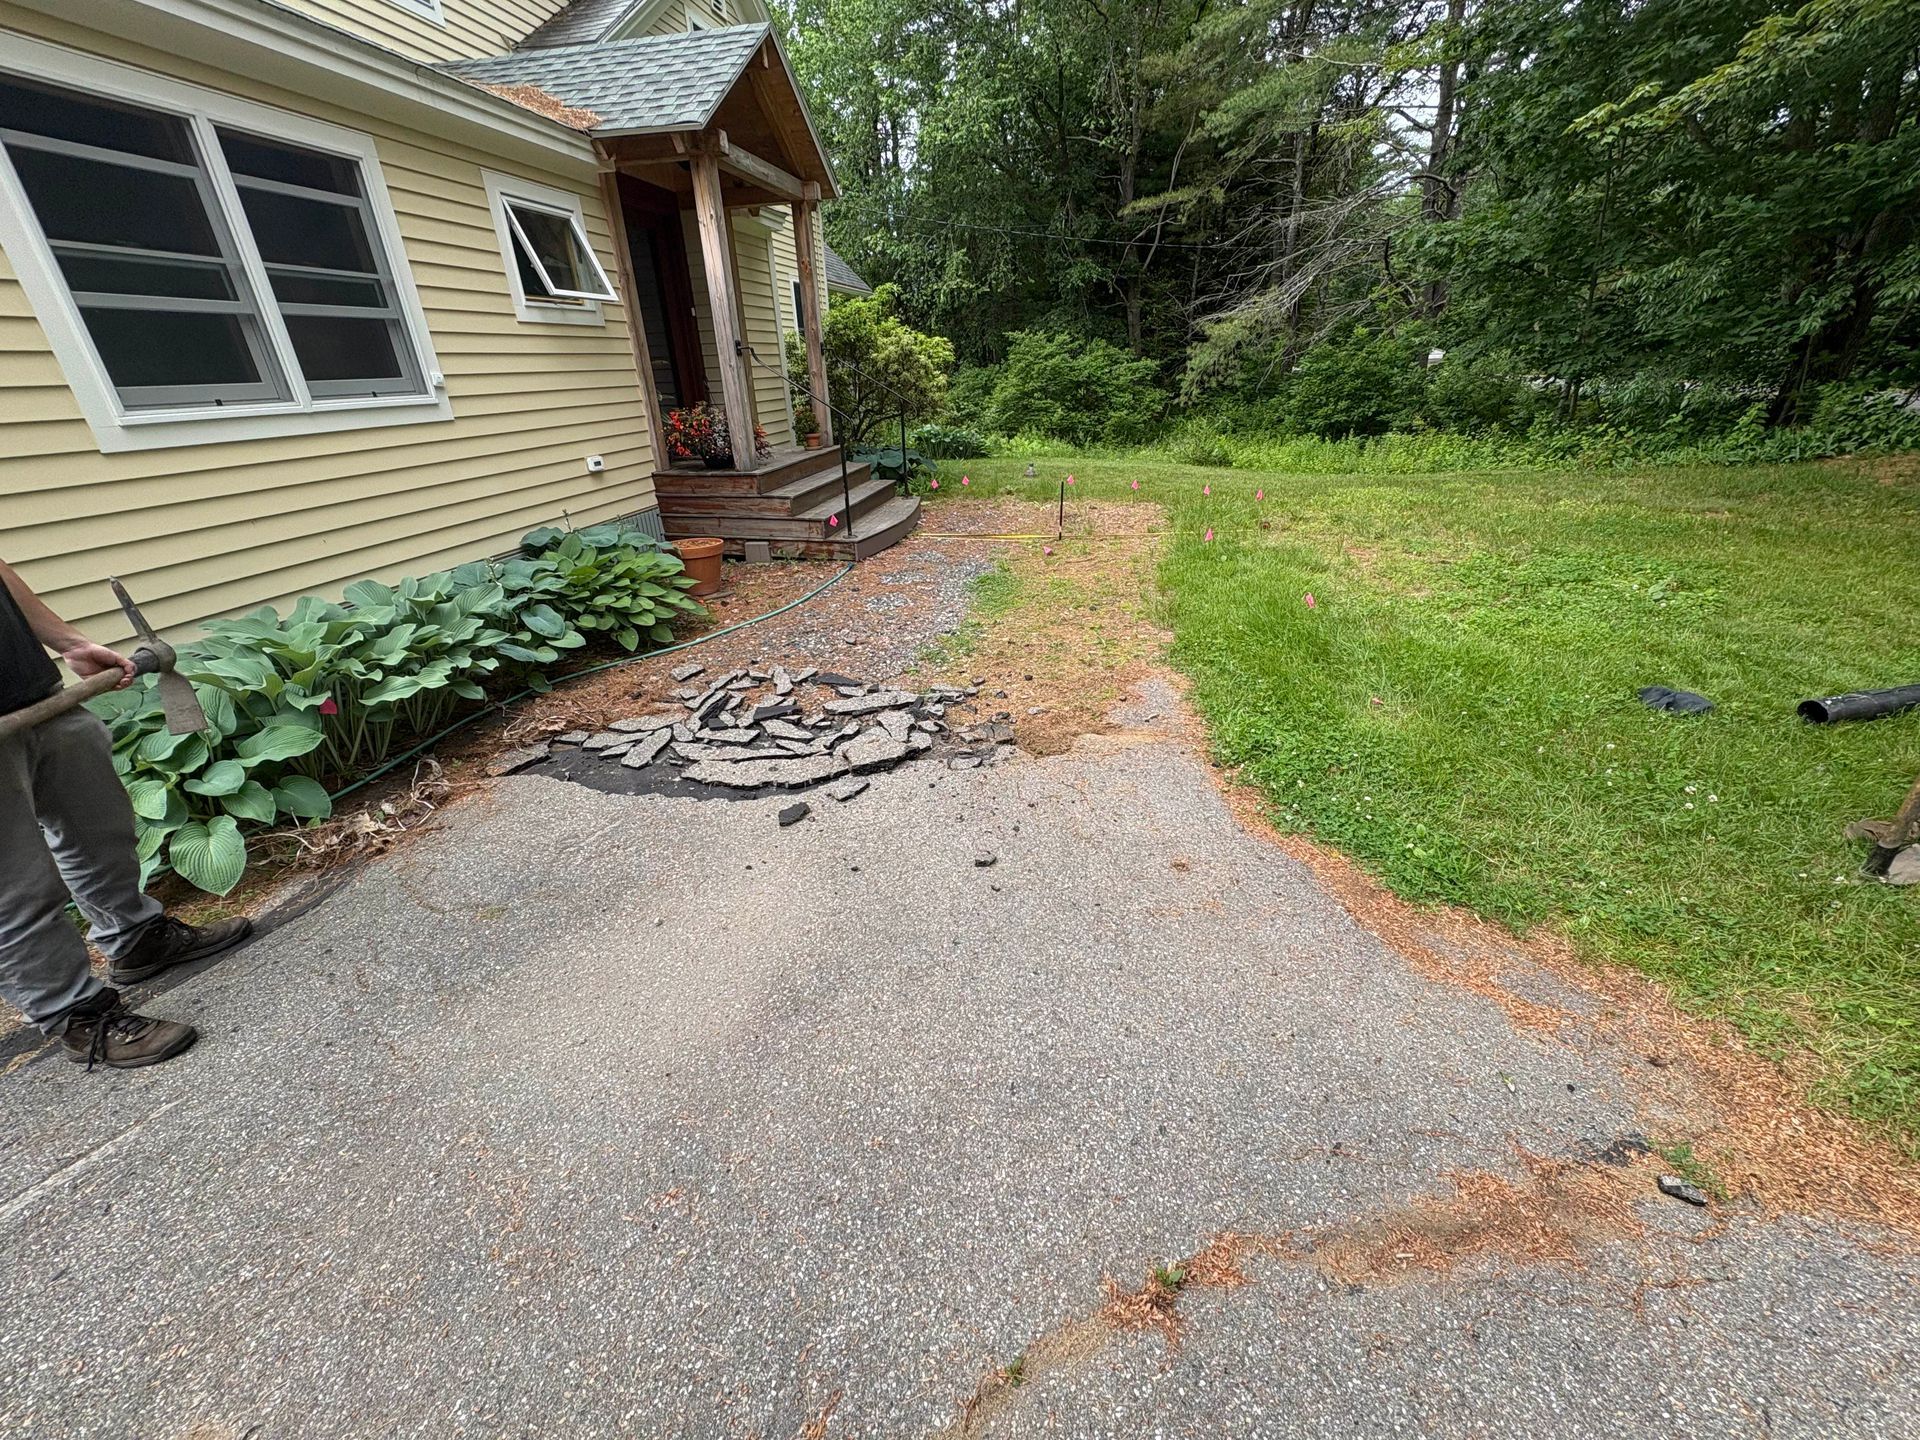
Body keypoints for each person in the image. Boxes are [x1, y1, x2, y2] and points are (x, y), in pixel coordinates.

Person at [1, 559, 250, 1069]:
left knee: (99, 827)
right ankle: (75, 1016)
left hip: (34, 692)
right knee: (17, 885)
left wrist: (66, 641)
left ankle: (135, 938)